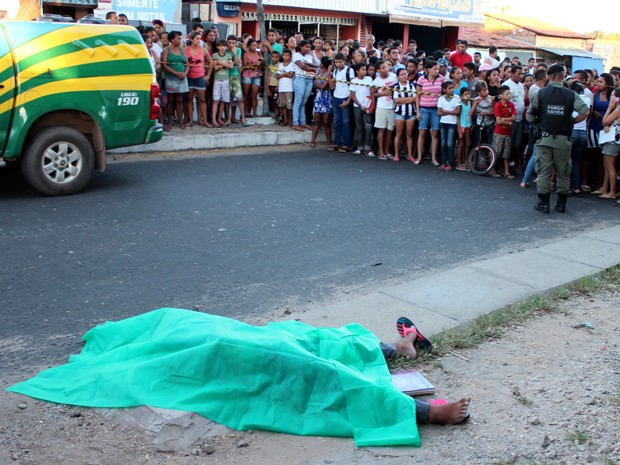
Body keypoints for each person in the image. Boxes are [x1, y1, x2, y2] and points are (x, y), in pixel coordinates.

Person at [526, 63, 589, 213]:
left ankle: (543, 204)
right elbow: (585, 111)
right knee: (563, 172)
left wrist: (540, 121)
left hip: (545, 138)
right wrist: (571, 121)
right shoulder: (571, 94)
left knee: (544, 171)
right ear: (562, 76)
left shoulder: (540, 93)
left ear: (549, 75)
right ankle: (561, 204)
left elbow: (529, 116)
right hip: (563, 140)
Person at [415, 60, 444, 166]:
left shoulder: (441, 78)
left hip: (436, 109)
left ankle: (434, 158)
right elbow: (417, 96)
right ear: (428, 69)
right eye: (434, 69)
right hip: (424, 108)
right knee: (422, 132)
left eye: (438, 69)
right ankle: (419, 157)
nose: (437, 71)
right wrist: (418, 111)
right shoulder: (421, 79)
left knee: (435, 133)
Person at [161, 31, 189, 131]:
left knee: (180, 100)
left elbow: (187, 64)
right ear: (172, 39)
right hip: (171, 78)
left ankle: (180, 121)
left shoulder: (182, 50)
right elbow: (164, 65)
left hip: (182, 77)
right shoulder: (166, 50)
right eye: (177, 38)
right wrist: (175, 73)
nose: (179, 40)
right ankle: (169, 121)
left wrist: (184, 73)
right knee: (171, 100)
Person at [185, 31, 212, 127]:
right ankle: (191, 120)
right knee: (189, 99)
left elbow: (210, 62)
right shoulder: (185, 50)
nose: (198, 40)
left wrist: (208, 75)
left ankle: (204, 120)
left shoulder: (203, 50)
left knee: (202, 99)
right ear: (191, 39)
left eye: (199, 38)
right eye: (197, 38)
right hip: (189, 77)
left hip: (200, 76)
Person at [371, 60, 397, 160]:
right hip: (381, 107)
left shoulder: (394, 77)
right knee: (381, 129)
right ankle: (380, 151)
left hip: (392, 107)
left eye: (386, 67)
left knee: (390, 130)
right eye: (383, 68)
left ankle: (387, 150)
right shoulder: (376, 81)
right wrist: (383, 94)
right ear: (378, 70)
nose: (385, 69)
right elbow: (374, 93)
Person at [330, 52, 355, 152]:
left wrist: (348, 101)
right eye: (336, 62)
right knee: (337, 122)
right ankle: (337, 142)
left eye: (340, 62)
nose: (338, 64)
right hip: (336, 97)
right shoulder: (335, 71)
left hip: (345, 97)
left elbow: (353, 87)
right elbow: (332, 86)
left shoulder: (350, 70)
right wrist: (329, 72)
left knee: (346, 122)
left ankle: (346, 144)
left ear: (344, 61)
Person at [292, 40, 317, 131]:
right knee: (298, 101)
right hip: (300, 78)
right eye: (306, 47)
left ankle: (302, 122)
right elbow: (302, 67)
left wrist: (312, 67)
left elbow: (315, 65)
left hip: (309, 79)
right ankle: (295, 122)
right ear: (301, 47)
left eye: (309, 47)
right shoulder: (296, 55)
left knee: (303, 102)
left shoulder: (309, 55)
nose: (308, 49)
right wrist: (314, 69)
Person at [392, 68, 417, 162]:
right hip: (399, 113)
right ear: (398, 76)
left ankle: (410, 155)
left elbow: (415, 98)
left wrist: (403, 100)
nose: (404, 76)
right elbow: (396, 100)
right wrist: (409, 99)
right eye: (402, 74)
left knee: (409, 134)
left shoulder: (411, 85)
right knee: (398, 134)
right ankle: (396, 154)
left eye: (405, 74)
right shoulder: (396, 86)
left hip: (411, 113)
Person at [492, 85, 517, 178]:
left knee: (506, 153)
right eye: (507, 94)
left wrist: (504, 119)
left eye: (509, 93)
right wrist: (509, 122)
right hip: (499, 132)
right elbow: (498, 121)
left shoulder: (511, 105)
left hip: (508, 132)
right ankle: (493, 169)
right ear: (501, 95)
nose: (509, 95)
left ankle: (506, 172)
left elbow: (514, 118)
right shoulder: (498, 105)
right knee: (496, 151)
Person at [350, 63, 374, 157]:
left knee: (368, 126)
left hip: (368, 106)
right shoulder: (354, 81)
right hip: (357, 107)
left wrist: (371, 105)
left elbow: (372, 93)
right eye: (363, 69)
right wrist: (360, 105)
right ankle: (359, 147)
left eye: (365, 69)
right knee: (359, 127)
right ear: (357, 71)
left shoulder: (369, 79)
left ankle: (367, 147)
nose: (365, 71)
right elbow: (353, 96)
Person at [437, 81, 462, 171]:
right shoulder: (441, 98)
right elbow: (439, 112)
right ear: (444, 89)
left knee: (450, 143)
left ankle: (450, 163)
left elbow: (457, 112)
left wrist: (445, 111)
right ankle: (444, 162)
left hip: (452, 123)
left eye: (453, 88)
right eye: (449, 88)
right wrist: (451, 112)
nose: (452, 90)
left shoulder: (457, 98)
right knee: (443, 143)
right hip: (443, 122)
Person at [310, 56, 333, 149]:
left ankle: (329, 142)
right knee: (317, 121)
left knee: (326, 122)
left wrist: (318, 85)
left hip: (326, 99)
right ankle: (312, 141)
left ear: (322, 64)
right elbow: (318, 85)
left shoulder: (329, 74)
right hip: (318, 99)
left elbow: (322, 86)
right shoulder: (319, 72)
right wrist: (319, 85)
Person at [211, 39, 233, 128]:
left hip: (226, 80)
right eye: (221, 46)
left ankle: (219, 118)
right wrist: (223, 64)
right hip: (217, 79)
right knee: (216, 100)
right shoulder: (215, 55)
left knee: (223, 100)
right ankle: (213, 119)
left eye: (224, 46)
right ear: (217, 47)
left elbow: (231, 66)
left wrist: (220, 63)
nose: (222, 48)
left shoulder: (228, 55)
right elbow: (215, 68)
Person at [241, 38, 264, 118]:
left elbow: (262, 63)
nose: (254, 47)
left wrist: (261, 62)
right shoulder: (246, 54)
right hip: (247, 75)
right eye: (252, 45)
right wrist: (255, 63)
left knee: (254, 95)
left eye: (255, 45)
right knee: (246, 94)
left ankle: (254, 112)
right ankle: (243, 113)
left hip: (256, 74)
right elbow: (245, 65)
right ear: (248, 46)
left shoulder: (258, 53)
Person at [276, 48, 295, 127]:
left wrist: (283, 74)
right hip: (282, 88)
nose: (285, 57)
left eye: (287, 55)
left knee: (289, 105)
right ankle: (285, 120)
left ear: (290, 56)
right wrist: (285, 74)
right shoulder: (280, 65)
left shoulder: (292, 64)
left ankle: (291, 120)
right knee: (282, 105)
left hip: (289, 88)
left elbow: (291, 75)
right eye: (284, 55)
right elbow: (277, 76)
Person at [457, 87, 473, 171]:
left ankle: (465, 159)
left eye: (469, 94)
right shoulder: (460, 104)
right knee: (461, 144)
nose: (468, 96)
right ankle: (459, 162)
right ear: (461, 95)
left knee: (468, 143)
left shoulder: (469, 103)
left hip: (467, 125)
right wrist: (459, 130)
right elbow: (458, 117)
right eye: (465, 94)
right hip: (462, 126)